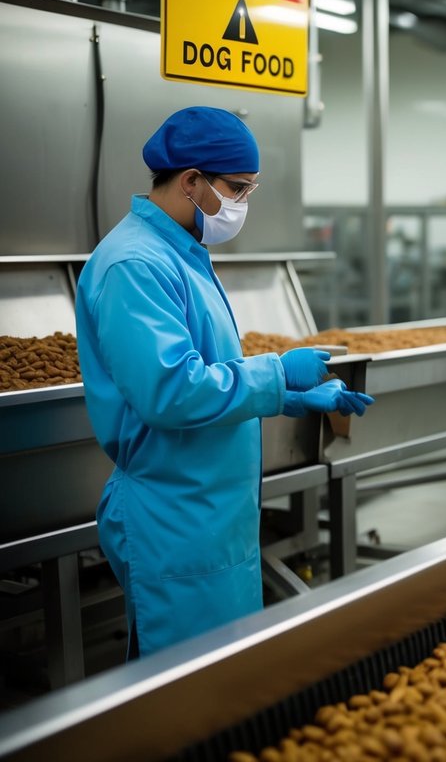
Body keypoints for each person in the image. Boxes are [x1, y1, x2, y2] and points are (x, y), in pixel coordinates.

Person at [75, 107, 375, 658]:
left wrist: (290, 396)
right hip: (175, 519)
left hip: (213, 513)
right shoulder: (135, 264)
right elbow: (171, 390)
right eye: (237, 189)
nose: (242, 206)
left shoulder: (183, 254)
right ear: (191, 182)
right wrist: (278, 370)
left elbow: (210, 370)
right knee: (183, 702)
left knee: (225, 681)